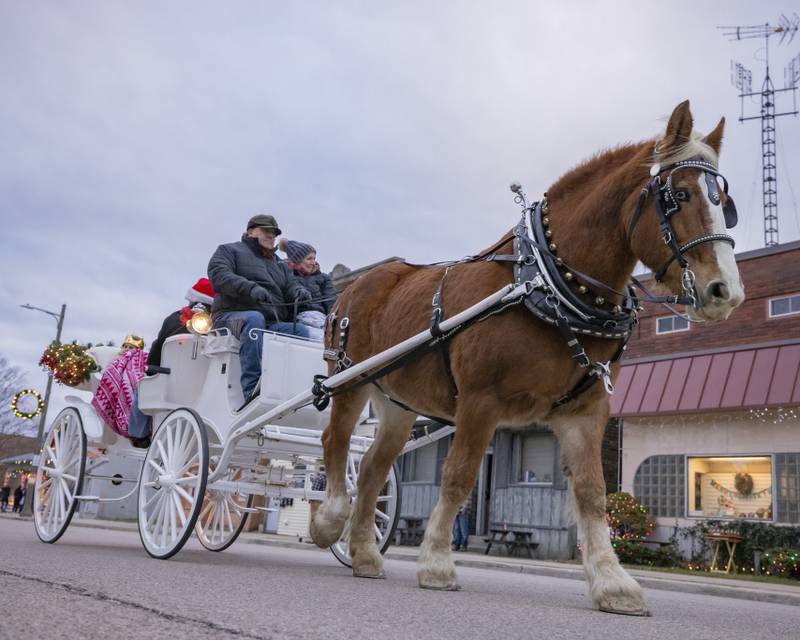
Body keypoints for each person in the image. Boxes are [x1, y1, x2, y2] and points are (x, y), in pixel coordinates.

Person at [208, 214, 312, 404]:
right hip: (230, 316)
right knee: (254, 320)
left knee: (300, 331)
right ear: (250, 231)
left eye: (273, 233)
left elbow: (290, 285)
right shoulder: (229, 250)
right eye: (265, 231)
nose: (270, 235)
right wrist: (250, 288)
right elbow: (219, 275)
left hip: (270, 322)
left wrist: (299, 292)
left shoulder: (279, 263)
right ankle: (251, 389)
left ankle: (290, 390)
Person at [126, 278, 216, 447]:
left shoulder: (173, 319)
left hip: (170, 387)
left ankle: (139, 434)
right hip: (205, 388)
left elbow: (156, 350)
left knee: (142, 385)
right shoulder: (218, 324)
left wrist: (151, 372)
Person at [278, 238, 337, 341]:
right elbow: (289, 292)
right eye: (309, 259)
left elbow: (331, 301)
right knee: (322, 339)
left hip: (323, 319)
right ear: (298, 260)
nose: (313, 262)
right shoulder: (287, 275)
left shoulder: (323, 278)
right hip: (300, 319)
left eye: (314, 258)